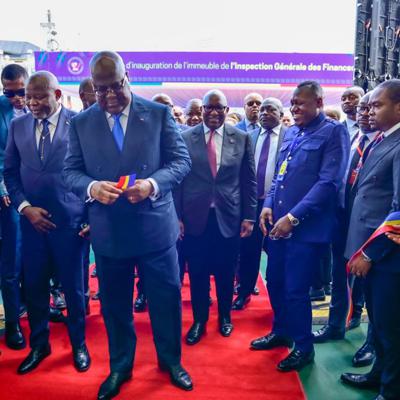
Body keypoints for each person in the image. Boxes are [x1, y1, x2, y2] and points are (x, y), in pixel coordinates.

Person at [63, 51, 193, 399]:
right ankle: (121, 366)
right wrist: (92, 187)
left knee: (166, 301)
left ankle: (171, 361)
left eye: (115, 86)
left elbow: (181, 162)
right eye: (100, 89)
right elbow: (70, 171)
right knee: (115, 306)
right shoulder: (81, 123)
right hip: (109, 232)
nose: (109, 96)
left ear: (128, 77)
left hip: (156, 229)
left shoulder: (158, 114)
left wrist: (152, 184)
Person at [251, 80, 348, 372]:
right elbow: (280, 176)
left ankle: (304, 348)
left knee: (296, 289)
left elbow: (328, 182)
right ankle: (281, 331)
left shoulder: (333, 132)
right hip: (278, 225)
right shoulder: (292, 132)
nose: (294, 108)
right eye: (292, 103)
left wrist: (293, 218)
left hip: (306, 229)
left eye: (300, 103)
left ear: (319, 103)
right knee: (275, 282)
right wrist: (268, 204)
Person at [4, 71, 89, 374]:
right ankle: (39, 345)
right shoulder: (18, 126)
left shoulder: (79, 124)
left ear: (56, 95)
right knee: (35, 287)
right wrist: (25, 208)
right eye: (28, 97)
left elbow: (93, 172)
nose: (32, 103)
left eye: (39, 97)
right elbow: (10, 172)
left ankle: (79, 344)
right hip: (31, 224)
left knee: (74, 289)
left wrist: (89, 218)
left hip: (71, 224)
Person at [175, 89, 257, 345]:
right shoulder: (184, 138)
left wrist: (249, 216)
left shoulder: (242, 138)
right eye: (208, 107)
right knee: (197, 271)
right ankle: (199, 321)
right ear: (201, 110)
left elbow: (249, 180)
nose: (213, 112)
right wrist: (176, 216)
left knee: (226, 271)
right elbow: (178, 181)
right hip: (194, 217)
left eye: (218, 107)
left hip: (229, 216)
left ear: (226, 110)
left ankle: (224, 317)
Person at [341, 79, 400, 400]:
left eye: (378, 105)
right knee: (377, 323)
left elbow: (399, 210)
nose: (370, 111)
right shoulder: (382, 139)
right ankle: (378, 376)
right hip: (371, 251)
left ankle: (390, 391)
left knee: (391, 329)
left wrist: (370, 253)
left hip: (387, 256)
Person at [313, 92, 378, 368]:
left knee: (372, 286)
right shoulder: (351, 137)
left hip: (371, 227)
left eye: (370, 108)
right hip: (342, 218)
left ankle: (372, 343)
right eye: (361, 108)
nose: (364, 113)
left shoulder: (386, 143)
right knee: (339, 277)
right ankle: (335, 325)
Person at [233, 98, 286, 310]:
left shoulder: (290, 136)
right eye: (262, 110)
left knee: (277, 251)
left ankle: (279, 298)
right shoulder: (249, 136)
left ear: (281, 114)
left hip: (278, 205)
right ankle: (244, 291)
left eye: (270, 109)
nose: (263, 113)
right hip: (251, 204)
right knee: (248, 250)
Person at [0, 64, 28, 350]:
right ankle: (12, 323)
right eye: (9, 93)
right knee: (12, 258)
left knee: (40, 256)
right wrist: (2, 184)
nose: (16, 98)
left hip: (42, 193)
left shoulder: (41, 105)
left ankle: (38, 306)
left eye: (21, 91)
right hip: (10, 196)